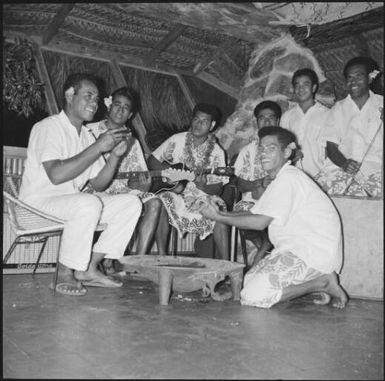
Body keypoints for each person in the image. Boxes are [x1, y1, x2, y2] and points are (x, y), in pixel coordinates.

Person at [19, 73, 142, 296]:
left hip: (70, 205)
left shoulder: (85, 135)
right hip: (37, 204)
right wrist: (98, 147)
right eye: (88, 96)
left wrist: (114, 156)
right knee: (87, 203)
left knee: (131, 203)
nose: (94, 103)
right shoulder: (48, 127)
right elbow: (56, 175)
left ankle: (89, 268)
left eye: (97, 99)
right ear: (69, 95)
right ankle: (64, 272)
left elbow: (99, 184)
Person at [197, 126, 348, 309]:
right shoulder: (282, 178)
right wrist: (220, 212)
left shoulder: (289, 179)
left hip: (311, 253)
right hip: (297, 250)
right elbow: (253, 213)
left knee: (252, 296)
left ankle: (321, 283)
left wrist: (218, 217)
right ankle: (317, 283)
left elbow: (259, 223)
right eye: (261, 148)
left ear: (287, 152)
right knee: (250, 280)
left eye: (271, 148)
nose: (263, 153)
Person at [87, 87, 163, 272]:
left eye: (126, 108)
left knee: (154, 202)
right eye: (117, 105)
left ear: (130, 114)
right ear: (109, 106)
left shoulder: (133, 142)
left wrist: (143, 184)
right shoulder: (89, 131)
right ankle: (107, 258)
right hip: (95, 189)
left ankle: (136, 263)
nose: (120, 110)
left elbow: (137, 179)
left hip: (124, 192)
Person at [147, 103, 230, 260]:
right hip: (175, 192)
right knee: (162, 200)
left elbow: (218, 188)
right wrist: (170, 172)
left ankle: (227, 265)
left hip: (202, 195)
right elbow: (152, 161)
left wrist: (202, 185)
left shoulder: (217, 152)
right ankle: (162, 258)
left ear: (212, 125)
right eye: (196, 119)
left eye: (204, 121)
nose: (198, 124)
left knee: (220, 208)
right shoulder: (177, 139)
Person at [314, 56, 383, 197]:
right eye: (349, 78)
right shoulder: (338, 109)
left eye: (358, 76)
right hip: (340, 168)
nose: (353, 82)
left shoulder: (381, 104)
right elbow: (331, 147)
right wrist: (344, 164)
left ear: (370, 78)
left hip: (377, 169)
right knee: (317, 197)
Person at [233, 101, 281, 266]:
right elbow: (239, 184)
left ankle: (263, 256)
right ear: (256, 122)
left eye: (271, 118)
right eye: (262, 118)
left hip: (279, 203)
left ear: (278, 121)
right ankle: (266, 250)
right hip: (252, 203)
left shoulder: (287, 150)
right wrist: (258, 183)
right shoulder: (248, 150)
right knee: (241, 212)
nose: (267, 122)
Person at [280, 68, 330, 178]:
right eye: (297, 85)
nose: (300, 89)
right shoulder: (287, 116)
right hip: (292, 175)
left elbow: (330, 148)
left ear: (314, 87)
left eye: (305, 84)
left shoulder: (328, 114)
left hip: (319, 175)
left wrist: (327, 174)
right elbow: (282, 147)